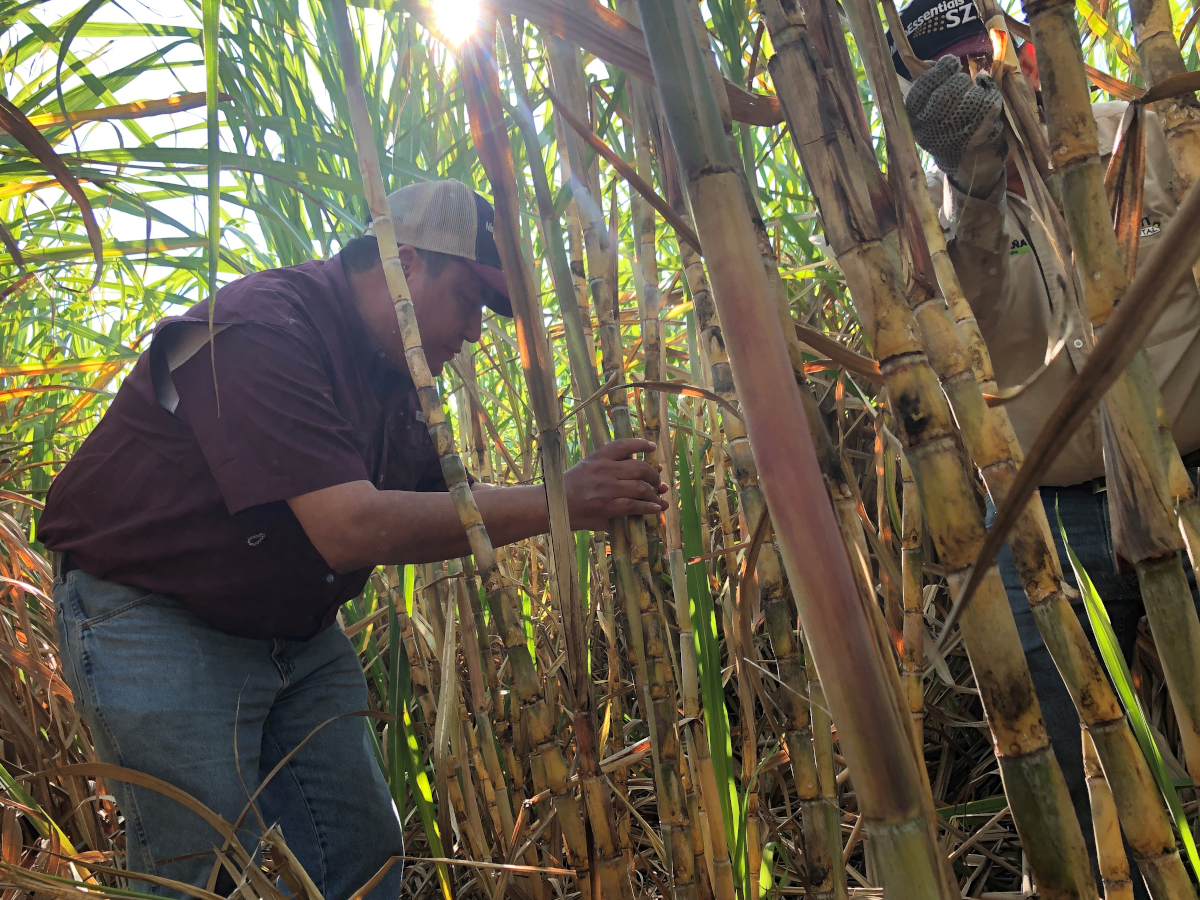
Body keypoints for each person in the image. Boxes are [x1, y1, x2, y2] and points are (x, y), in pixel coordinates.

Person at [38, 179, 668, 900]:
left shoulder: (401, 377)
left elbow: (449, 508)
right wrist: (561, 502)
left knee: (361, 854)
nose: (473, 332)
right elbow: (351, 529)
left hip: (296, 632)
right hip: (156, 615)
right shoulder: (266, 328)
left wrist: (569, 491)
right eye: (467, 300)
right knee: (200, 869)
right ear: (403, 262)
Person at [890, 1, 1200, 895]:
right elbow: (966, 337)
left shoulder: (1145, 139)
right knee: (1062, 771)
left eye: (983, 58)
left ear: (1028, 49)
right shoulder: (939, 229)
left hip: (1188, 485)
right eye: (945, 75)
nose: (977, 86)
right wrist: (977, 188)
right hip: (1050, 520)